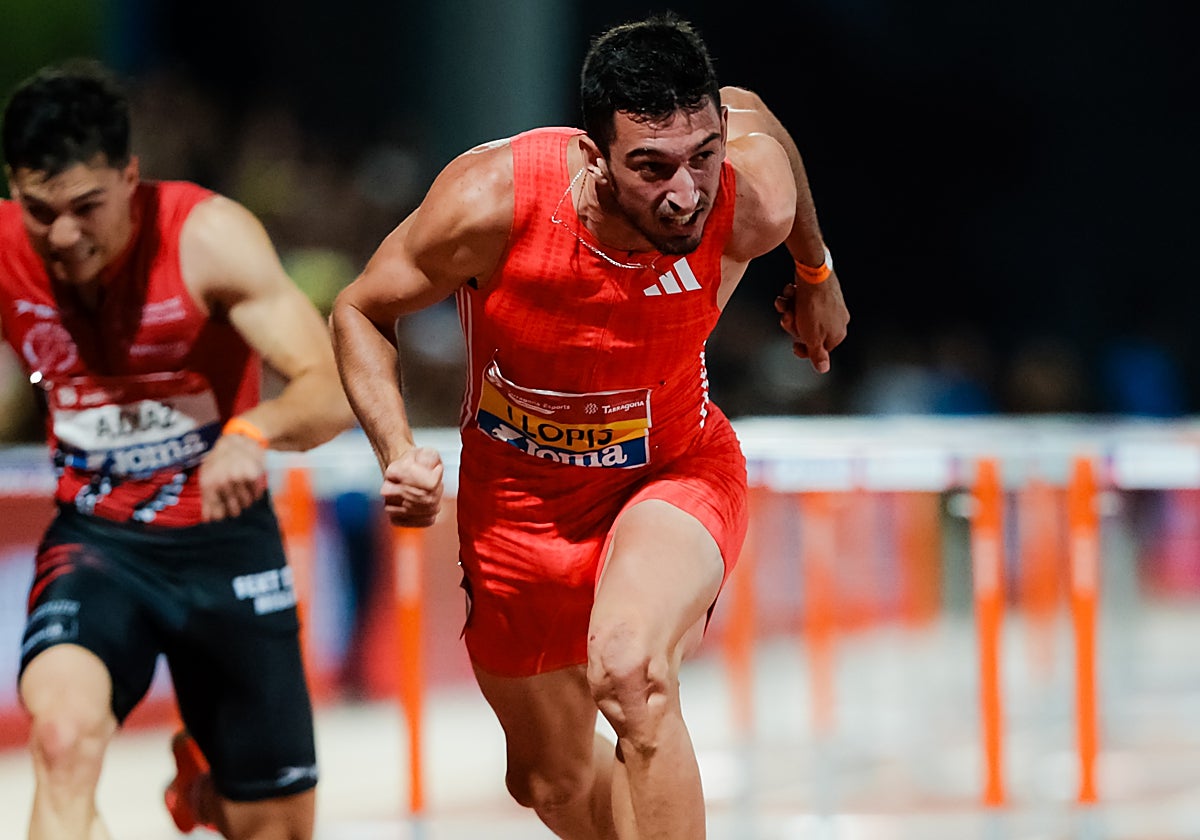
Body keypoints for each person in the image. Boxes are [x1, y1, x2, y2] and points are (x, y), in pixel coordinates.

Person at [330, 12, 848, 839]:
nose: (685, 194)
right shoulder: (490, 202)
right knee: (552, 782)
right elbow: (359, 308)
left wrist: (816, 271)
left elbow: (755, 116)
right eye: (651, 168)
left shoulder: (748, 205)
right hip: (519, 512)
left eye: (703, 157)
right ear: (592, 156)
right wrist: (397, 448)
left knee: (632, 674)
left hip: (671, 473)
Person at [0, 60, 355, 840]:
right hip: (97, 547)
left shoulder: (209, 238)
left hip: (224, 546)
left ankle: (205, 794)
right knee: (61, 739)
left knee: (272, 826)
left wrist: (249, 432)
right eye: (39, 211)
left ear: (130, 177)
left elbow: (328, 389)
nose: (62, 236)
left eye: (86, 208)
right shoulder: (5, 251)